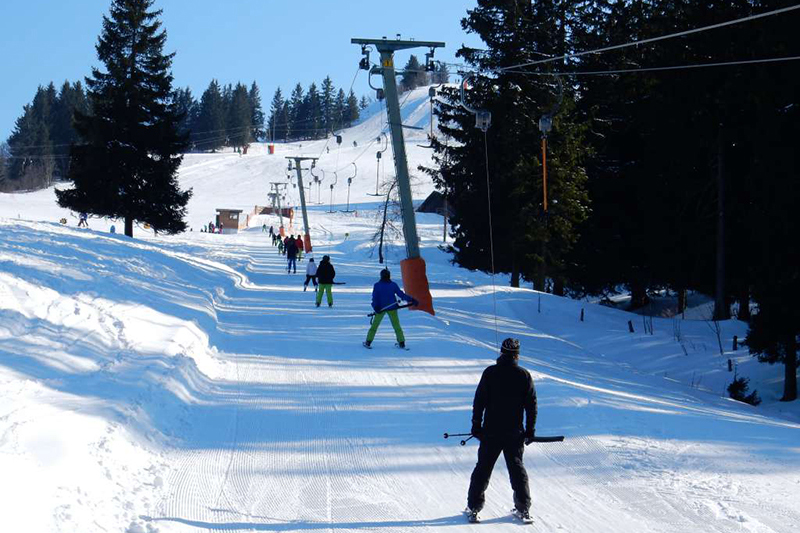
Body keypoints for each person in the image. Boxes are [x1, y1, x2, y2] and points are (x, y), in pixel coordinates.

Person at [466, 338, 537, 524]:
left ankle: (473, 508)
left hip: (491, 431)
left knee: (483, 468)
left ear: (501, 352)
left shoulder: (490, 373)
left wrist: (476, 425)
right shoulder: (524, 375)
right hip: (514, 432)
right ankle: (523, 508)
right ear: (517, 355)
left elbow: (479, 401)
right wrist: (530, 430)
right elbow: (531, 406)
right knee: (517, 469)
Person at [363, 269, 417, 349]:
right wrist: (411, 299)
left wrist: (375, 307)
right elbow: (401, 295)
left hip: (380, 309)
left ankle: (368, 342)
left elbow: (375, 298)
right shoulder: (393, 285)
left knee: (374, 326)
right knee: (396, 326)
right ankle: (401, 343)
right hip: (392, 308)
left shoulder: (377, 285)